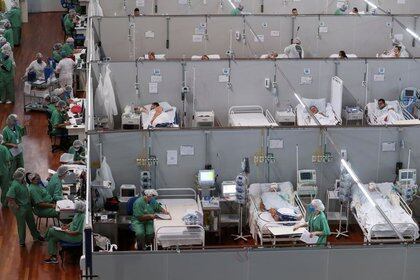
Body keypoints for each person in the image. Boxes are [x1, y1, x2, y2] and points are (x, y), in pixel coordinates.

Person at [6, 169, 44, 246]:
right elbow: (9, 197)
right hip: (21, 208)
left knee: (32, 222)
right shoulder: (15, 185)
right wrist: (16, 206)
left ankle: (36, 236)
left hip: (27, 206)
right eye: (23, 176)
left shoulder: (22, 183)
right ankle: (22, 242)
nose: (24, 177)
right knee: (21, 225)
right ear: (20, 177)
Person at [0, 134, 12, 207]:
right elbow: (8, 160)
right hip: (4, 171)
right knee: (5, 188)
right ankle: (4, 204)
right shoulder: (4, 148)